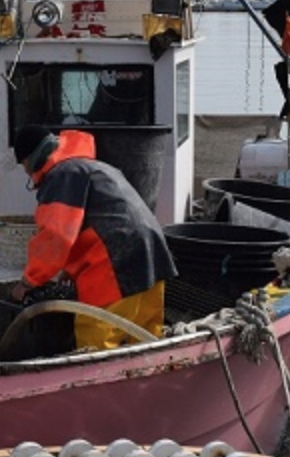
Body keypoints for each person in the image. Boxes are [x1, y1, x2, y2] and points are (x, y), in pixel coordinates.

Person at [10, 124, 176, 350]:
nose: (26, 172)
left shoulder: (61, 176)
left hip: (117, 270)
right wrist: (69, 271)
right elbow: (92, 222)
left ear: (32, 157)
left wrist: (28, 282)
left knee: (95, 342)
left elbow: (56, 237)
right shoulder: (91, 166)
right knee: (146, 341)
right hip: (152, 260)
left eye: (24, 166)